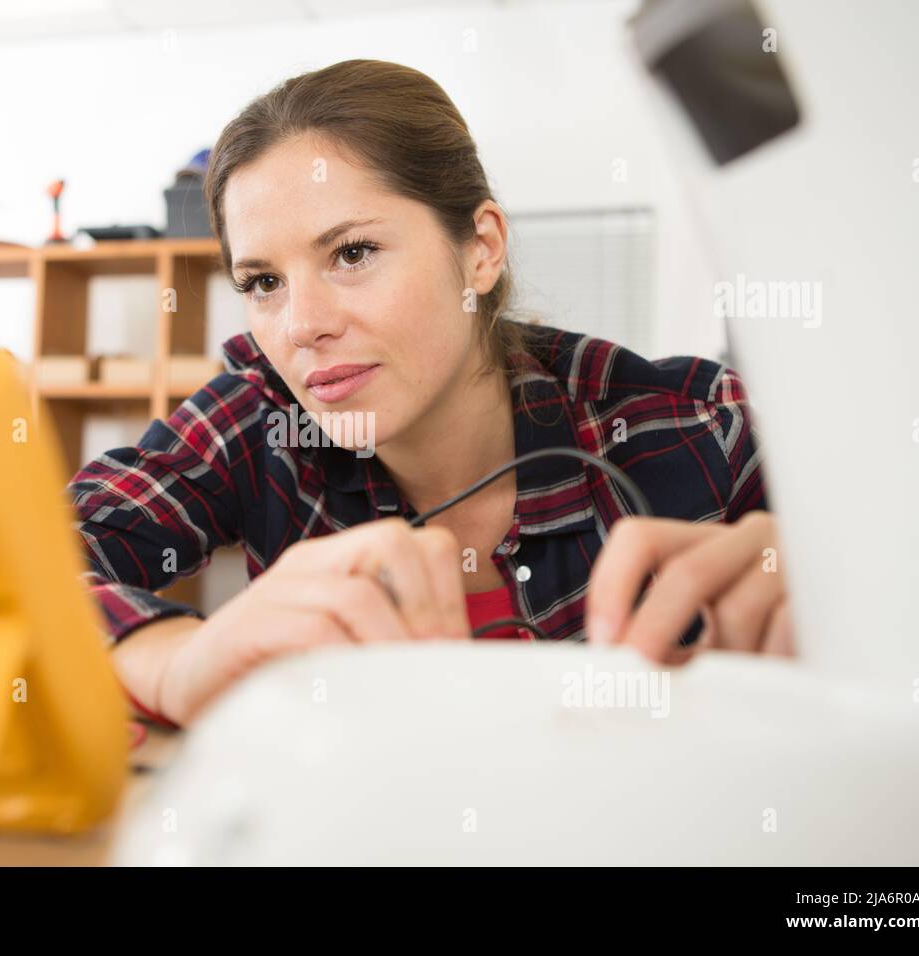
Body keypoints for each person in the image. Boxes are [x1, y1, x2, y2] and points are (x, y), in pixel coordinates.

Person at [68, 59, 793, 728]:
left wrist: (834, 585)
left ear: (480, 250)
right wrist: (170, 664)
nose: (302, 327)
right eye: (263, 283)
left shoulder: (704, 429)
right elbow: (29, 563)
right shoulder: (261, 418)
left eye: (352, 253)